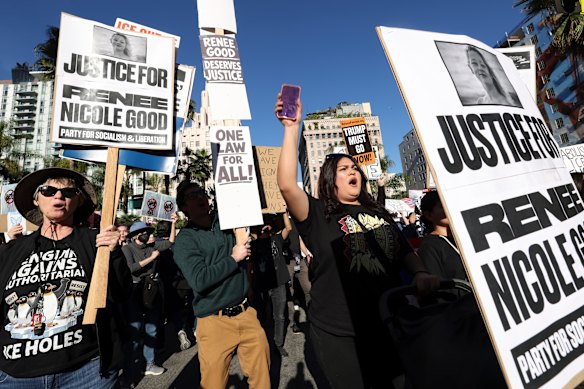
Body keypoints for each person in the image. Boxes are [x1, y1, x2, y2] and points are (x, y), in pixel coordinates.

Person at [275, 92, 439, 389]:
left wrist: (421, 272)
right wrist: (291, 128)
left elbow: (403, 250)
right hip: (341, 333)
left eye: (354, 167)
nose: (353, 171)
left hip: (390, 322)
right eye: (343, 169)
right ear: (330, 180)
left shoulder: (378, 212)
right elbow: (287, 185)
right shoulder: (317, 214)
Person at [0, 167, 131, 388]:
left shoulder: (95, 242)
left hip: (85, 371)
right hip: (16, 375)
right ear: (36, 200)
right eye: (49, 191)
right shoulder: (10, 251)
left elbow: (121, 293)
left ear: (78, 202)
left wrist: (114, 254)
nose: (59, 196)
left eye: (68, 193)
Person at [173, 181, 270, 389]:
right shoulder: (184, 240)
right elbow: (199, 280)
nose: (199, 197)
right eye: (191, 196)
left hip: (246, 313)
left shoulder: (228, 221)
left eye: (201, 192)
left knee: (262, 379)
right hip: (213, 321)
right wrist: (233, 258)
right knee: (214, 384)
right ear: (183, 208)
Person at [121, 218, 176, 380]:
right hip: (135, 291)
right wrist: (152, 258)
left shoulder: (152, 246)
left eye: (147, 232)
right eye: (142, 233)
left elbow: (170, 241)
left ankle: (149, 364)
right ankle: (129, 372)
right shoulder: (128, 249)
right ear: (134, 236)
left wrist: (173, 223)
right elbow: (131, 268)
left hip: (152, 291)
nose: (145, 235)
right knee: (135, 330)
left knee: (152, 328)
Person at [249, 212, 291, 357]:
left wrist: (284, 212)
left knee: (279, 316)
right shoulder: (253, 245)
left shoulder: (276, 239)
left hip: (278, 284)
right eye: (262, 224)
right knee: (261, 316)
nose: (264, 226)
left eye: (266, 223)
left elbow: (288, 228)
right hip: (262, 285)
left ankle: (278, 344)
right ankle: (263, 344)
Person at [156, 218, 195, 351]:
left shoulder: (155, 246)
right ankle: (189, 328)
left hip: (164, 284)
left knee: (165, 313)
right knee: (186, 307)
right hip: (183, 282)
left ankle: (162, 343)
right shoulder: (179, 244)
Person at [418, 191, 467, 282]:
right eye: (442, 206)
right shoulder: (429, 246)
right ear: (429, 215)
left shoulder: (463, 237)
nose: (449, 209)